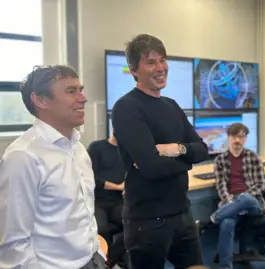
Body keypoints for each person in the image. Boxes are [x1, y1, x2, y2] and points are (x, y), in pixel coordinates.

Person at [111, 34, 209, 269]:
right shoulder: (126, 107)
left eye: (162, 60)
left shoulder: (172, 105)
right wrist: (187, 159)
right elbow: (152, 168)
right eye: (151, 62)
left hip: (183, 213)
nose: (160, 68)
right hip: (147, 222)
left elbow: (203, 149)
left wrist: (175, 149)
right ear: (134, 70)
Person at [0, 65, 104, 268]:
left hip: (93, 260)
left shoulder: (78, 148)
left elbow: (82, 215)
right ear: (40, 100)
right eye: (71, 91)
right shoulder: (23, 156)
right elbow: (13, 244)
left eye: (80, 89)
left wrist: (97, 253)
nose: (83, 98)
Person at [199, 123, 265, 269]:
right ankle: (225, 266)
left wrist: (239, 200)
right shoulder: (220, 160)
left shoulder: (254, 157)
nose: (237, 140)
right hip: (231, 202)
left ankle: (210, 221)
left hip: (253, 203)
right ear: (228, 137)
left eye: (241, 136)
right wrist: (231, 201)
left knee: (244, 199)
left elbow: (261, 185)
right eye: (234, 136)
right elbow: (221, 186)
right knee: (227, 223)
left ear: (245, 139)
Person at [87, 132, 126, 268]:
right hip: (98, 201)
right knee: (101, 230)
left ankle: (111, 260)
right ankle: (107, 261)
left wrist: (129, 187)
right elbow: (90, 178)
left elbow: (135, 173)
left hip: (119, 202)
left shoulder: (128, 152)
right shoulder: (97, 148)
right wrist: (117, 186)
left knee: (135, 226)